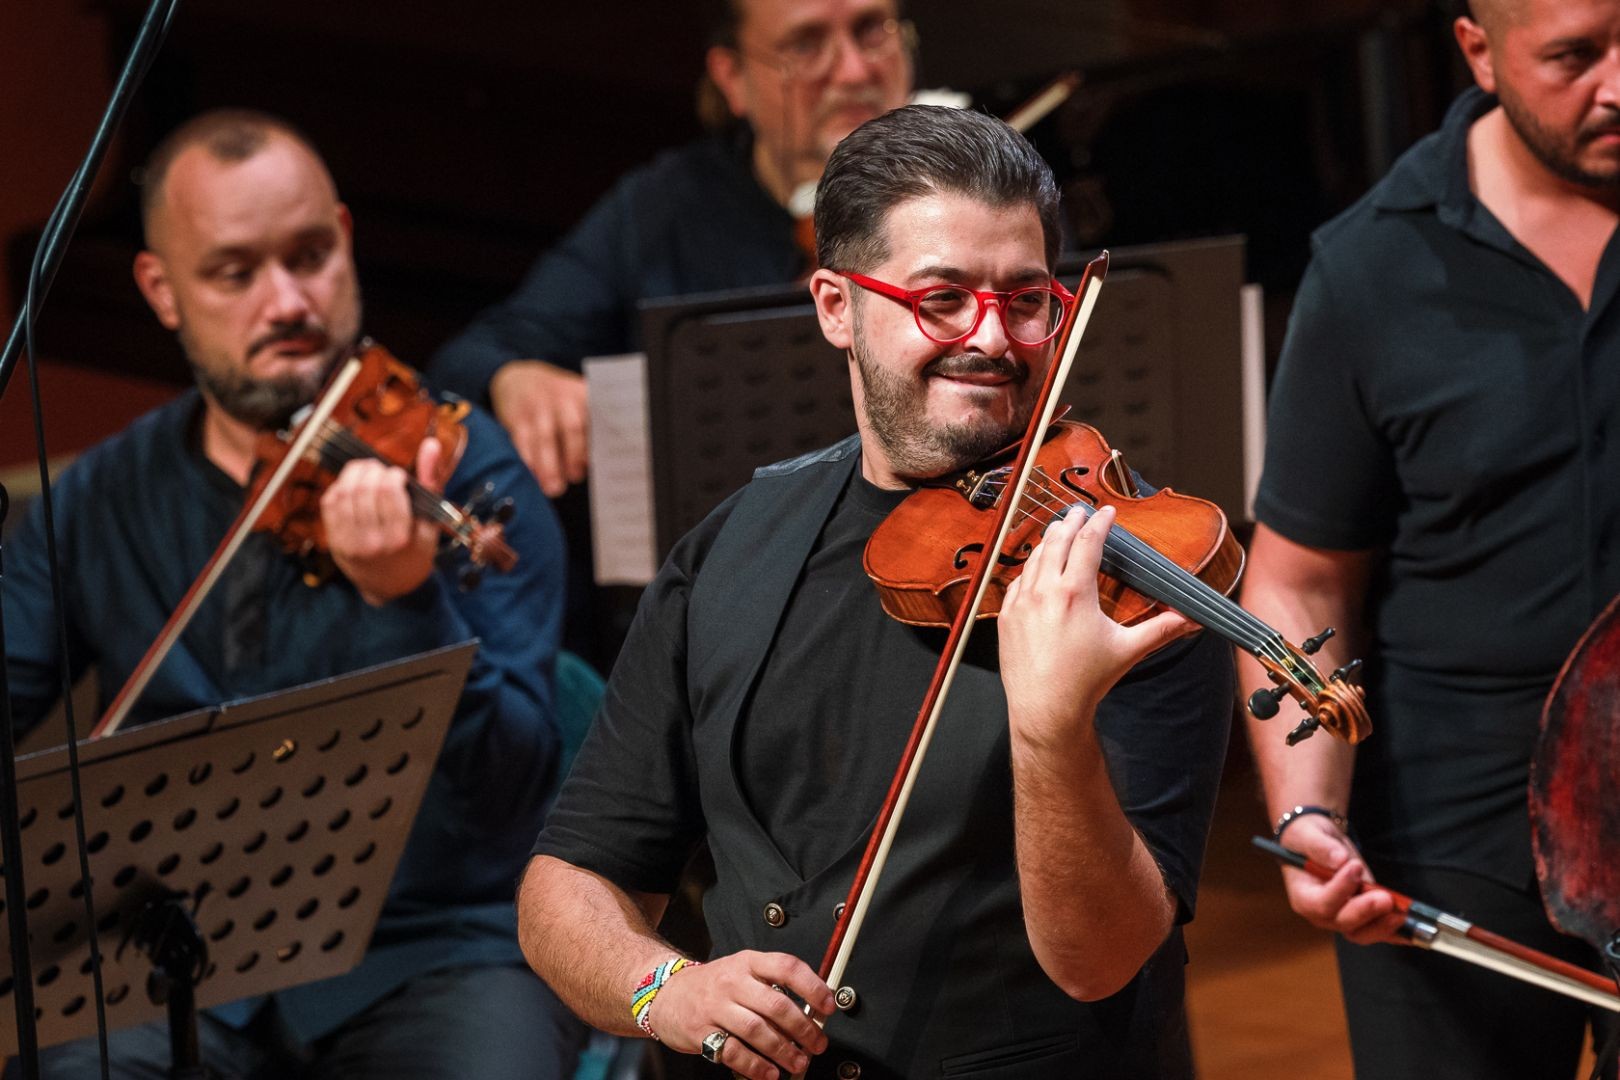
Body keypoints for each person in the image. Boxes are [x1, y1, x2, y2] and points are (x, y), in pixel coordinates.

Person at [519, 104, 1233, 1080]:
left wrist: (1052, 731)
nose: (992, 339)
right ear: (834, 307)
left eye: (1026, 300)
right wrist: (663, 989)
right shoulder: (726, 551)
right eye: (942, 300)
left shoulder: (1135, 573)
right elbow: (570, 880)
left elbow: (1101, 959)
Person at [4, 110, 581, 1079]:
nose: (287, 302)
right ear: (161, 291)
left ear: (346, 242)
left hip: (432, 949)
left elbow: (512, 795)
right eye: (234, 273)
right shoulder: (102, 498)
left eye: (310, 257)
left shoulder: (469, 474)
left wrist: (409, 603)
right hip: (183, 958)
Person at [1238, 1, 1620, 1076]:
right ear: (1478, 53)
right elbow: (1300, 583)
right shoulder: (1371, 270)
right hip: (1453, 834)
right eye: (1574, 56)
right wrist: (1306, 812)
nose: (1619, 86)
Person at [428, 0, 914, 498]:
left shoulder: (964, 188)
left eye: (870, 29)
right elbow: (473, 355)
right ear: (732, 77)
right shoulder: (661, 209)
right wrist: (512, 378)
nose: (854, 70)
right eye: (805, 45)